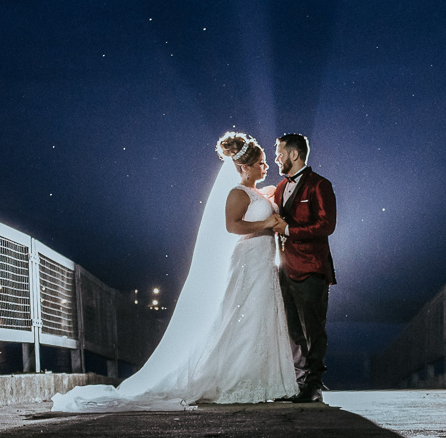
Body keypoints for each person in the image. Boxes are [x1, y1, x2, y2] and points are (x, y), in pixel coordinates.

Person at [51, 131, 297, 411]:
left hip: (264, 262)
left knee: (261, 317)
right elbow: (233, 227)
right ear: (244, 166)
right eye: (261, 163)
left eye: (265, 162)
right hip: (249, 260)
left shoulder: (257, 193)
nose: (265, 167)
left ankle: (261, 379)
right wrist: (266, 224)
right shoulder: (237, 193)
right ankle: (232, 378)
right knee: (241, 317)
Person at [271, 134, 336, 404]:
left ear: (294, 154)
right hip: (284, 269)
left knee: (314, 329)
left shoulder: (320, 185)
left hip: (312, 267)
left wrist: (288, 229)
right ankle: (298, 382)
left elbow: (326, 225)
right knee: (293, 330)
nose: (277, 158)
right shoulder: (278, 187)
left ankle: (314, 386)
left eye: (279, 153)